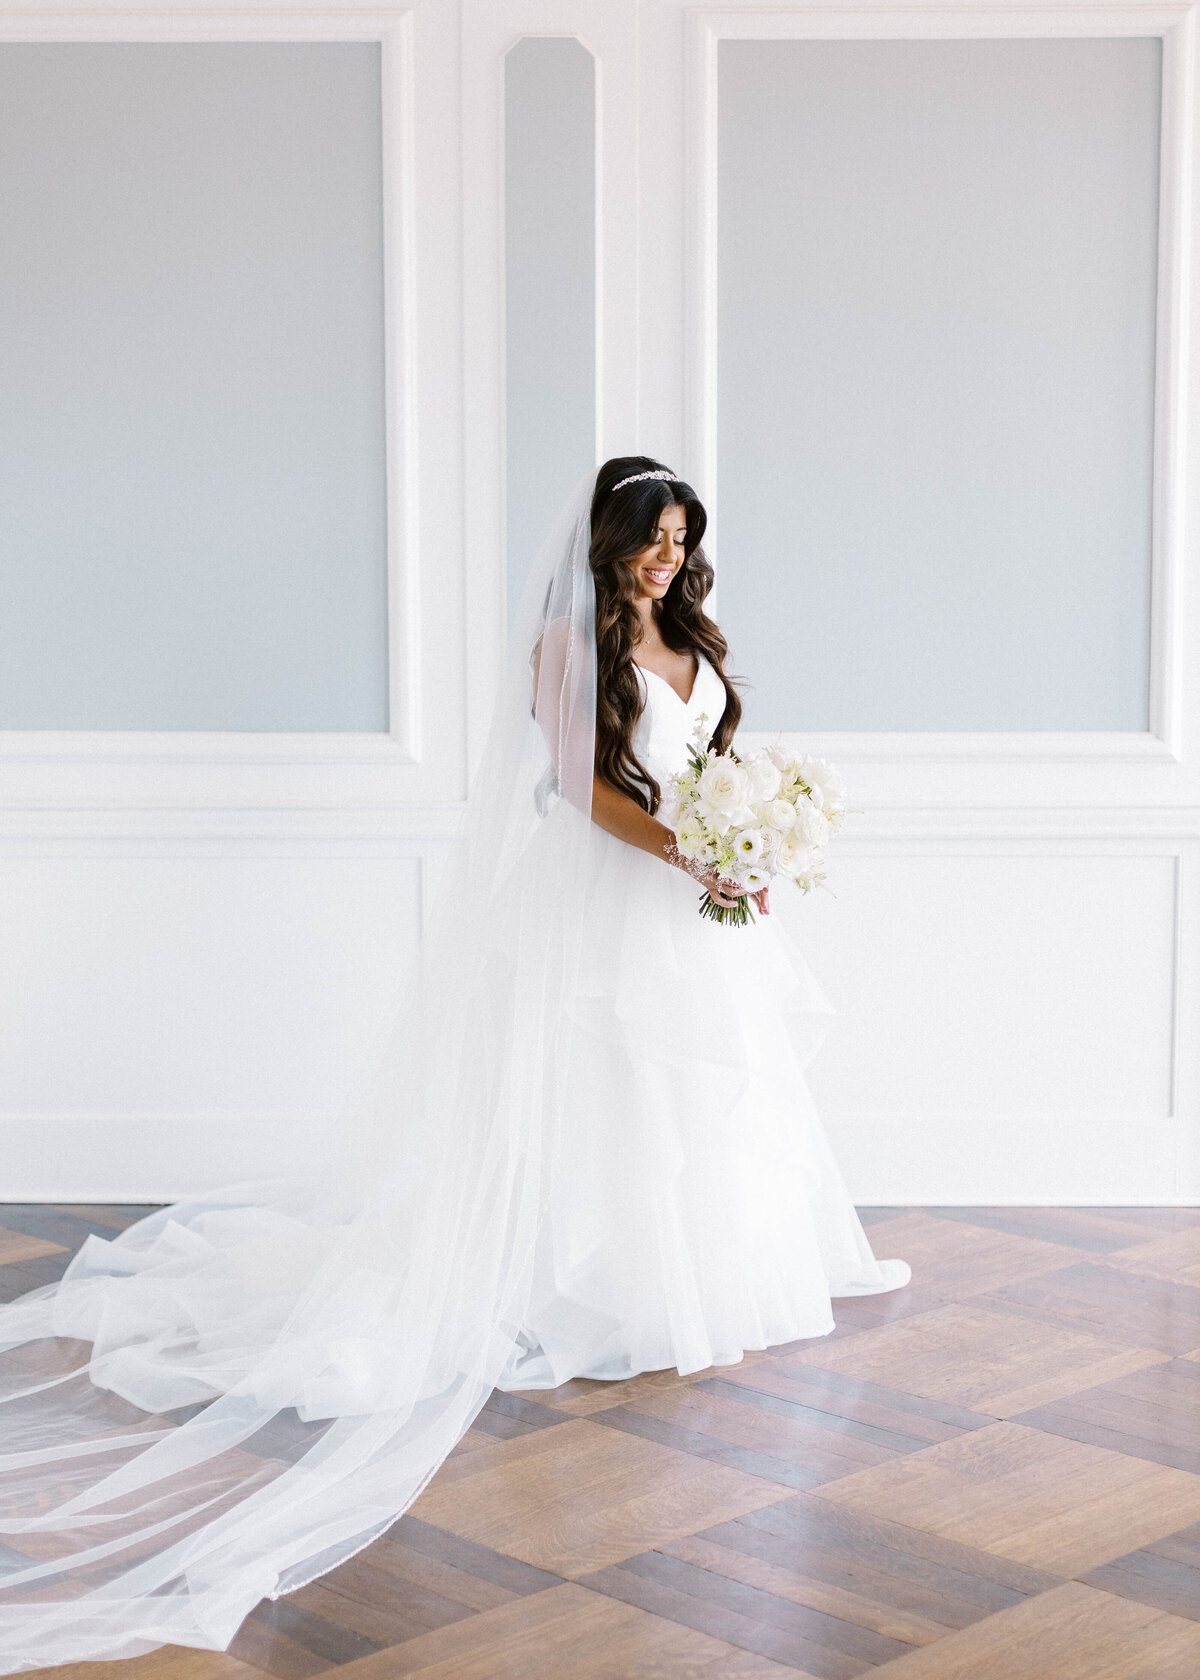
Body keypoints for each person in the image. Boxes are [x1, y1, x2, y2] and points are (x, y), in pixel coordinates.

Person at [0, 456, 909, 1671]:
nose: (670, 557)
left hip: (688, 905)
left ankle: (691, 1280)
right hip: (608, 896)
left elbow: (705, 765)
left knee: (698, 1086)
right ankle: (574, 1288)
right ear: (611, 537)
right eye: (654, 536)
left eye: (684, 539)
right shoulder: (565, 644)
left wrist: (743, 840)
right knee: (603, 1086)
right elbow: (582, 790)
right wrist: (692, 852)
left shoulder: (690, 635)